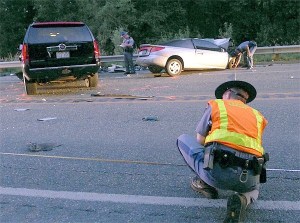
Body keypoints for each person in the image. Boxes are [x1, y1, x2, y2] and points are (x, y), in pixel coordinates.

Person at [177, 80, 269, 223]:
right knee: (254, 190)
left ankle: (204, 183)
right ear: (245, 100)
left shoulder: (217, 105)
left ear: (226, 94)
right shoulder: (257, 116)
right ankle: (242, 199)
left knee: (182, 140)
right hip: (248, 177)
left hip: (217, 173)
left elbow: (200, 140)